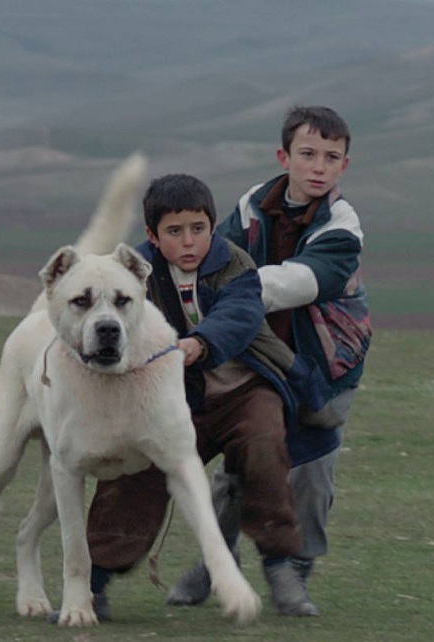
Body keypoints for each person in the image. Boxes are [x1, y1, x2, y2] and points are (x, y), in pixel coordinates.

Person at [67, 172, 327, 622]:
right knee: (134, 468)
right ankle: (94, 584)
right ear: (152, 235)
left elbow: (240, 316)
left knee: (265, 445)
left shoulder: (234, 265)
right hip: (168, 396)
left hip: (242, 390)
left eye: (198, 228)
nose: (189, 241)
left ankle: (280, 567)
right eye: (174, 231)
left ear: (211, 226)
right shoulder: (131, 273)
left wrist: (200, 343)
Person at [166, 105, 372, 616]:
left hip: (325, 364)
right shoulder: (252, 206)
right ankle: (217, 564)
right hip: (258, 359)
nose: (318, 166)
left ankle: (296, 572)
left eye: (331, 156)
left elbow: (301, 282)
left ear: (345, 164)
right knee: (239, 463)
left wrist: (228, 294)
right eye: (307, 154)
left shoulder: (343, 228)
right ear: (284, 157)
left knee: (312, 470)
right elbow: (212, 254)